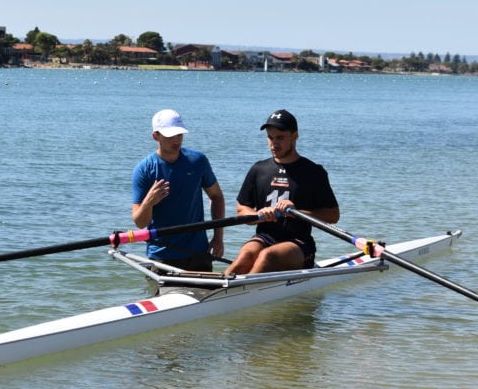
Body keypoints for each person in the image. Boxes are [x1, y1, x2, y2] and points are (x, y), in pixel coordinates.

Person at [225, 109, 340, 275]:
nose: (274, 143)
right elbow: (242, 210)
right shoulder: (258, 170)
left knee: (267, 256)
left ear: (295, 136)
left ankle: (240, 289)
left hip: (299, 243)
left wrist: (296, 212)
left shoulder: (313, 172)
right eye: (270, 138)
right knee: (245, 256)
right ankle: (220, 288)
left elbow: (333, 215)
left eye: (280, 138)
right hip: (265, 237)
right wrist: (258, 215)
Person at [132, 109, 225, 272]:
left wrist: (218, 238)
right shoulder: (144, 170)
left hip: (198, 253)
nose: (176, 140)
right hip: (162, 256)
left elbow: (217, 197)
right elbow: (140, 223)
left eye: (179, 134)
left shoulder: (198, 161)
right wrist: (149, 202)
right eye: (170, 136)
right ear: (156, 136)